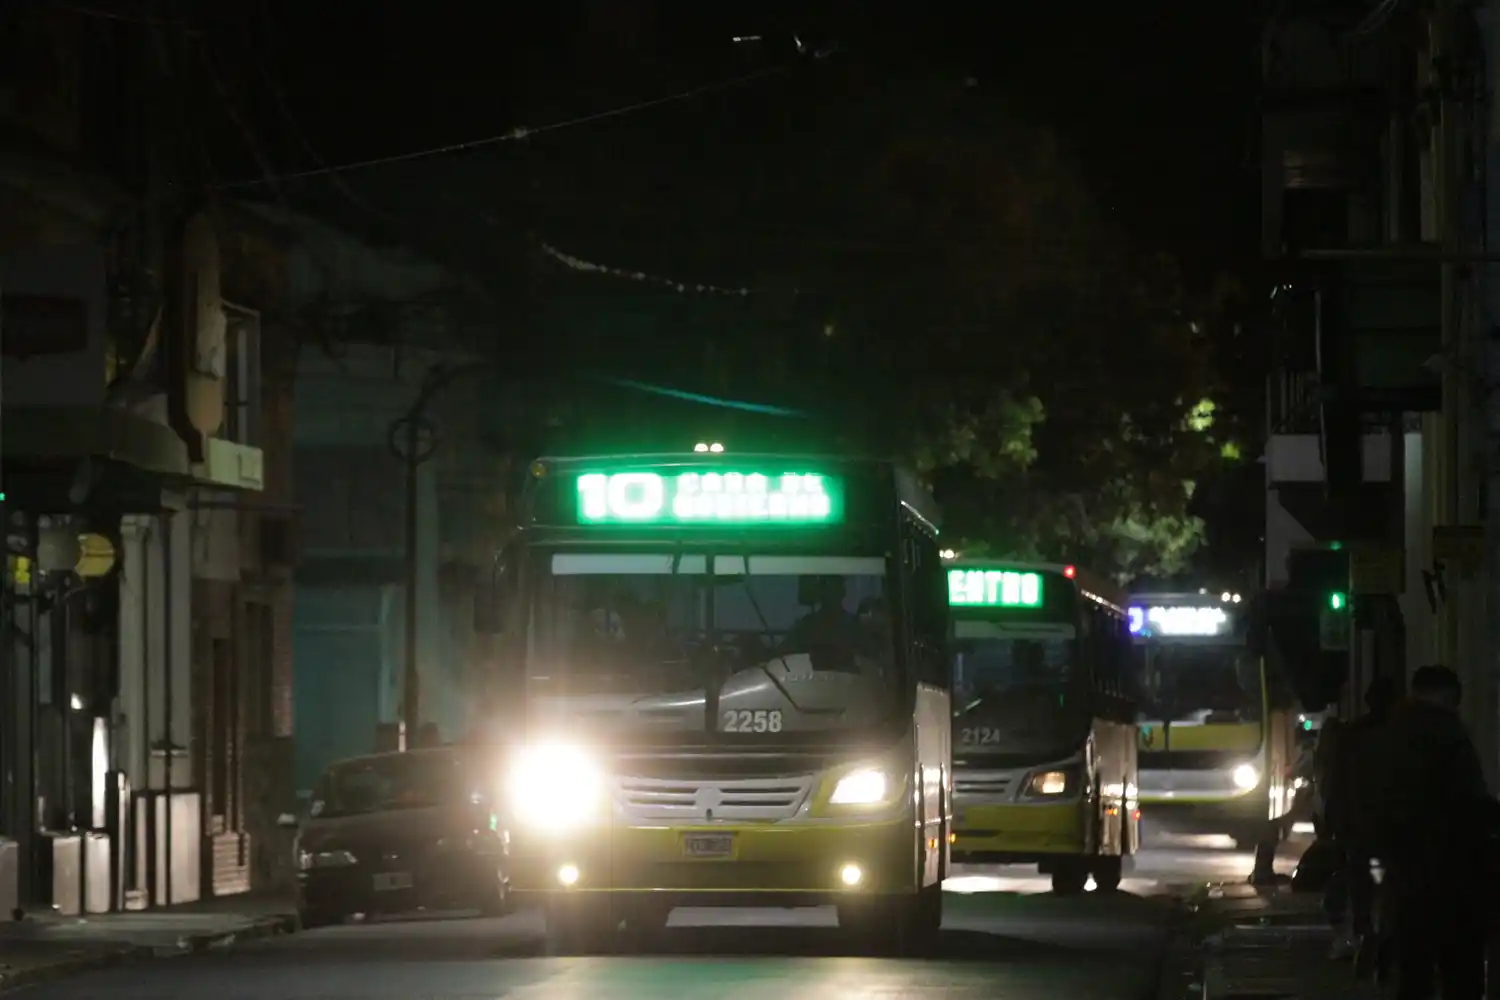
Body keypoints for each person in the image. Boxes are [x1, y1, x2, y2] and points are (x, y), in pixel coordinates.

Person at [1369, 665, 1490, 1000]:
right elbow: (1468, 804)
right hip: (1453, 875)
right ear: (1448, 695)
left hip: (1405, 876)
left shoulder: (1390, 735)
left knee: (1414, 974)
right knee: (1460, 973)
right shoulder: (1448, 735)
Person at [1325, 676, 1399, 965]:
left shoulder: (1351, 736)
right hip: (1391, 824)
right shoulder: (1401, 735)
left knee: (1361, 881)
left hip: (1358, 824)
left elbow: (1336, 782)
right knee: (1387, 879)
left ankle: (1365, 931)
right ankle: (1382, 934)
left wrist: (1334, 821)